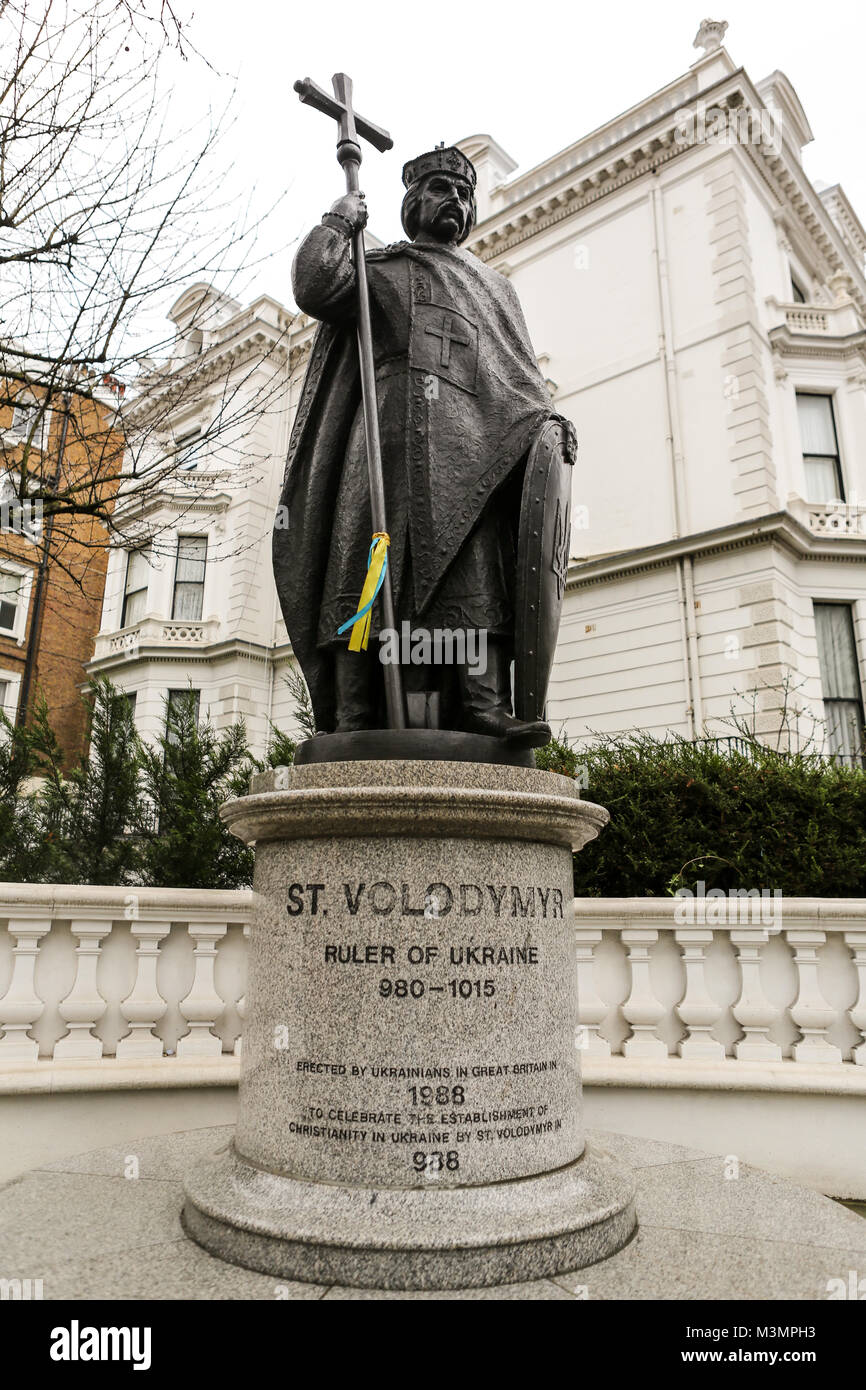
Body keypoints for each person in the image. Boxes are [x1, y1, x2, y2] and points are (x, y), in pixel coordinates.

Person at [274, 145, 574, 746]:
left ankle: (486, 708)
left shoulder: (494, 288)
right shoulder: (382, 268)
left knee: (474, 580)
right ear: (414, 203)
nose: (456, 203)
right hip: (381, 446)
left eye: (464, 195)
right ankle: (354, 714)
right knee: (363, 570)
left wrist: (550, 423)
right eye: (442, 190)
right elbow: (315, 285)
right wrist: (339, 220)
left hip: (472, 455)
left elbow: (517, 374)